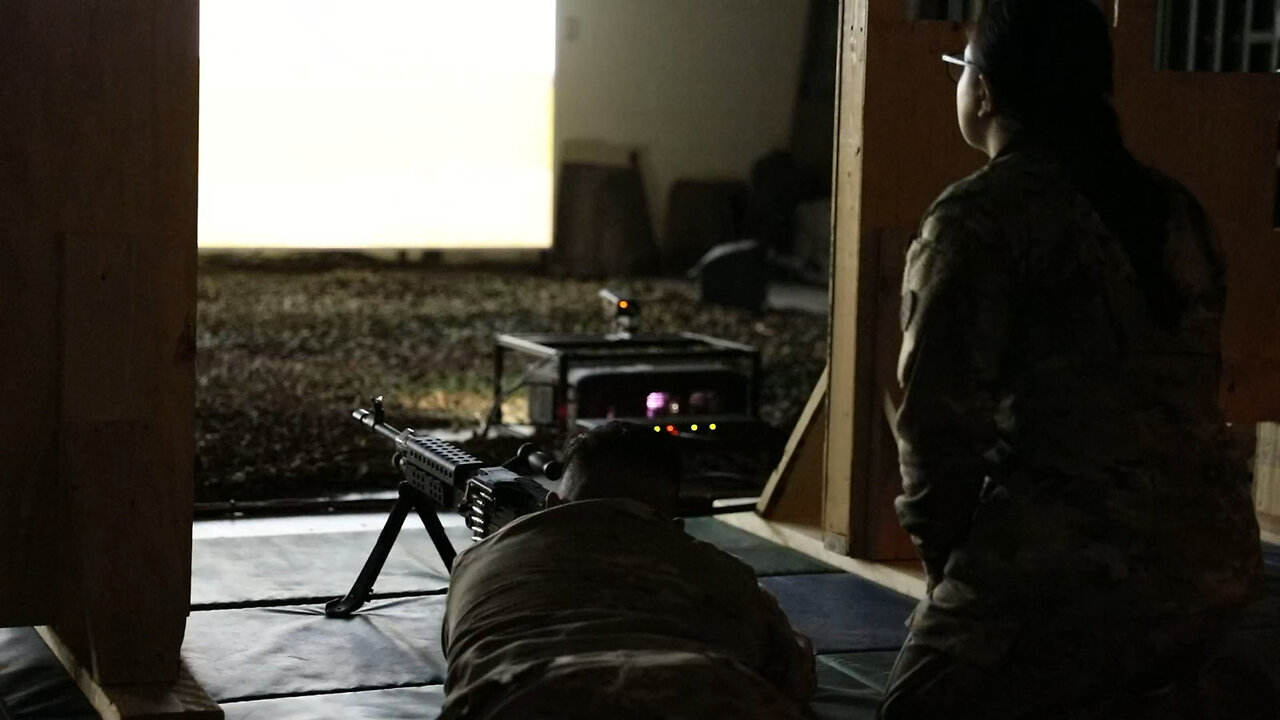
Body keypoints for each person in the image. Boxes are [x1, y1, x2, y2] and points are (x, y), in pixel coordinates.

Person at [880, 1, 1264, 717]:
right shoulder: (1173, 206)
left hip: (1067, 564)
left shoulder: (977, 217)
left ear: (985, 91)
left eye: (959, 67)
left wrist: (949, 584)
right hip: (1216, 558)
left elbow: (935, 430)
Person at [439, 421, 815, 719]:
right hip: (707, 695)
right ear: (673, 523)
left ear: (552, 503)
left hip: (511, 702)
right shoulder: (724, 573)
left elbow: (460, 655)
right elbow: (794, 675)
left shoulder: (476, 564)